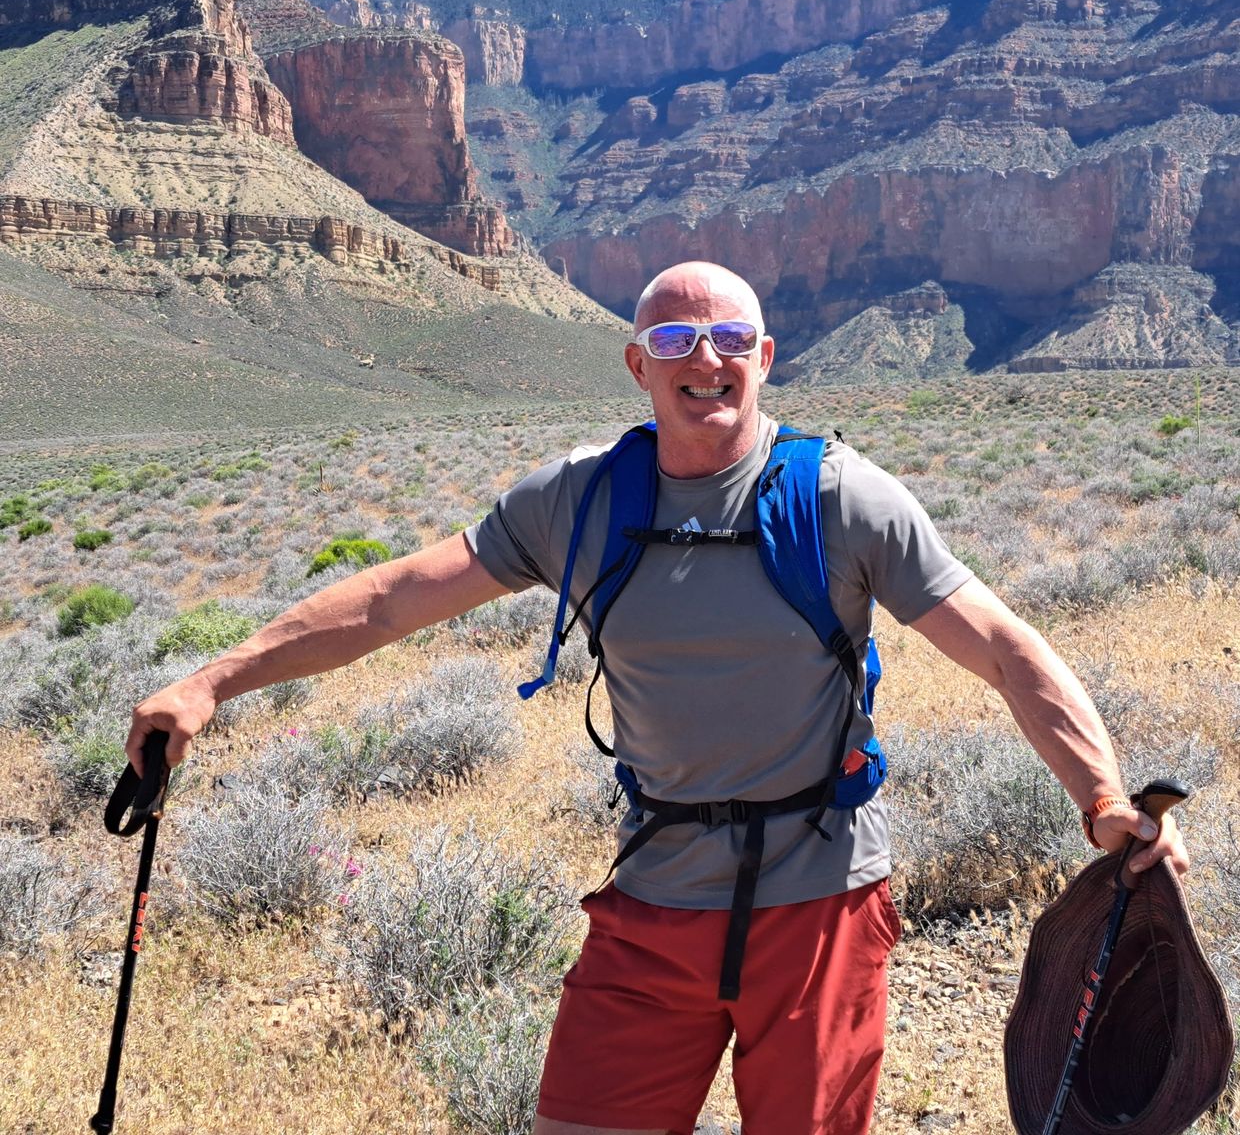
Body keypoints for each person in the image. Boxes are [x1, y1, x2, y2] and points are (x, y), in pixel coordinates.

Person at [127, 261, 1189, 1135]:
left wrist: (1099, 798)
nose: (706, 360)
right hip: (652, 902)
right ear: (638, 364)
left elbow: (1004, 647)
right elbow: (394, 599)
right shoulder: (577, 500)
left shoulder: (840, 497)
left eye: (729, 339)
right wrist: (214, 678)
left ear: (765, 358)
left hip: (818, 907)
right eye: (676, 342)